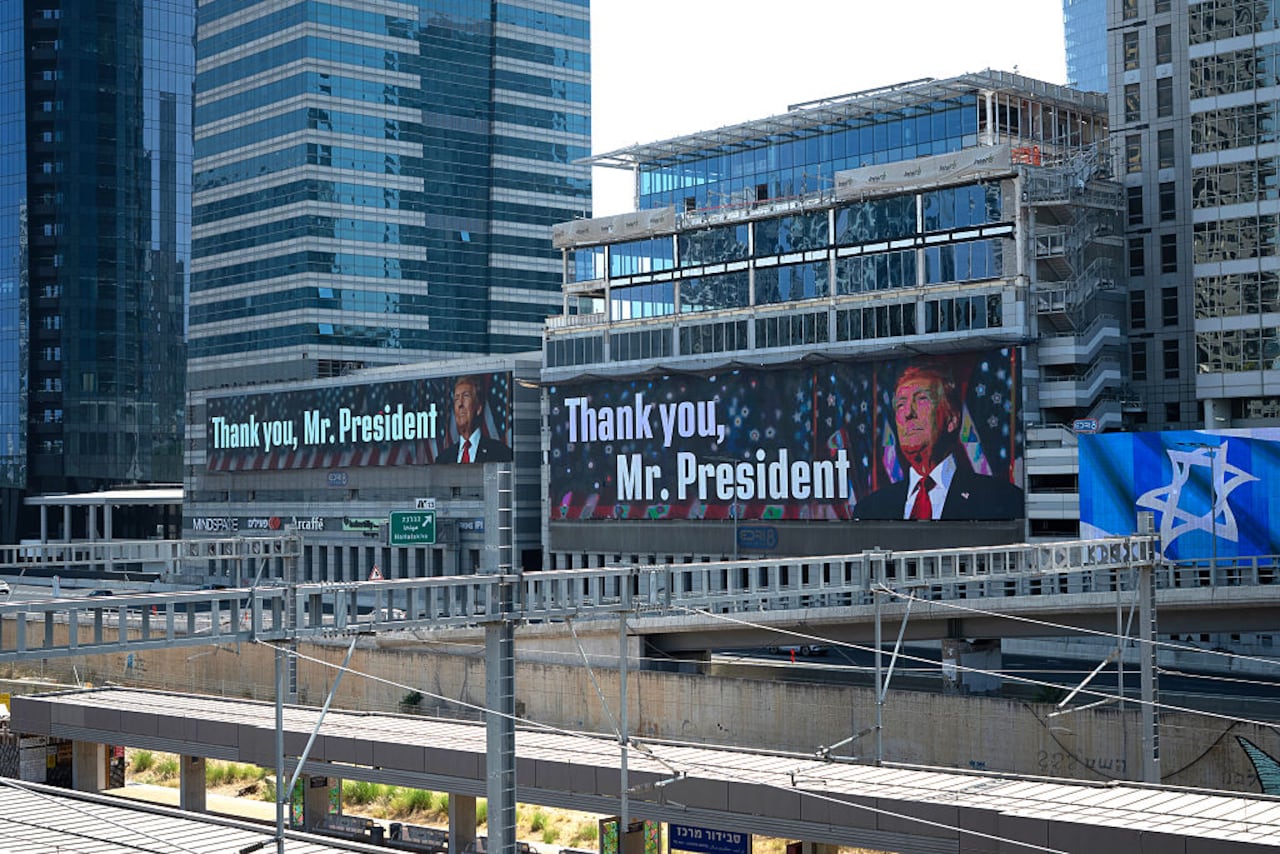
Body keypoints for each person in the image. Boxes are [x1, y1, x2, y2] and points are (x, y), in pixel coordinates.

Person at [856, 363, 1023, 521]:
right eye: (900, 404)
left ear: (952, 419)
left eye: (921, 399)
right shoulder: (870, 509)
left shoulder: (1000, 498)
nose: (908, 413)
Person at [440, 375, 506, 464]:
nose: (460, 404)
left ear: (478, 408)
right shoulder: (443, 459)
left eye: (466, 396)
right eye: (456, 399)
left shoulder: (499, 453)